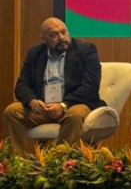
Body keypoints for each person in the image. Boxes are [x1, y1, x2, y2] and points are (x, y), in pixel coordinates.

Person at [2, 18, 105, 153]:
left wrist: (63, 105)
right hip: (44, 107)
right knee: (12, 111)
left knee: (74, 116)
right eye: (54, 35)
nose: (61, 37)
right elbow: (22, 84)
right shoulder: (35, 53)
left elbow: (90, 86)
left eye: (63, 32)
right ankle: (18, 161)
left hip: (73, 103)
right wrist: (32, 101)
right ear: (44, 39)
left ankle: (61, 161)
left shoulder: (86, 50)